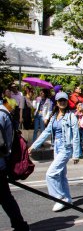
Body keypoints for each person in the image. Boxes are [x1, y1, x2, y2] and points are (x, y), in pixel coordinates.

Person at [29, 92, 80, 212]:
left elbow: (76, 136)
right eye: (60, 100)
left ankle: (59, 197)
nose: (62, 102)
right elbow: (46, 132)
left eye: (64, 100)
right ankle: (68, 198)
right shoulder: (54, 117)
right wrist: (34, 146)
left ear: (67, 102)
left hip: (65, 148)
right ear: (56, 103)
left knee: (50, 174)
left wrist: (76, 154)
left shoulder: (71, 116)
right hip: (56, 147)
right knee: (61, 175)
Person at [0, 96, 30, 231]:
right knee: (5, 197)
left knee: (5, 198)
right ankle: (20, 225)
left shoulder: (0, 114)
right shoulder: (3, 112)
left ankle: (20, 225)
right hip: (2, 162)